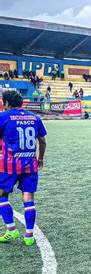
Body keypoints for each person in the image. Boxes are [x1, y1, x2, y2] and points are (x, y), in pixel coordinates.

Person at [0, 90, 47, 245]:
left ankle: (12, 229)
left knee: (1, 195)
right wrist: (40, 158)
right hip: (30, 165)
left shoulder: (3, 116)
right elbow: (42, 141)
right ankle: (29, 236)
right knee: (28, 199)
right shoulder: (34, 117)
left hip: (9, 165)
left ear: (6, 104)